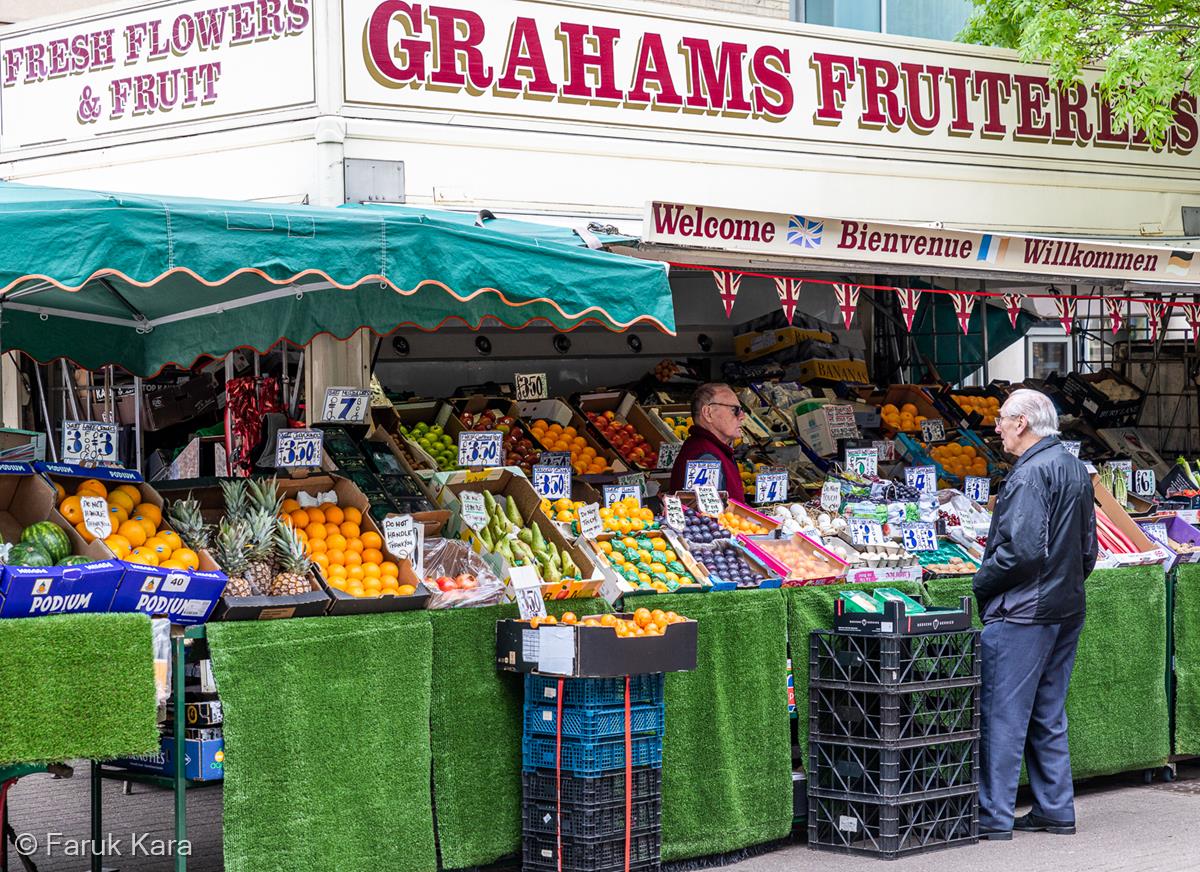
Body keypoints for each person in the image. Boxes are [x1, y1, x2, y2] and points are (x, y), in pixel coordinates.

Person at [973, 388, 1097, 840]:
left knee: (1002, 715)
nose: (998, 427)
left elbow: (1022, 551)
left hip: (1024, 611)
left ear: (1022, 423)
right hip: (1066, 606)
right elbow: (1088, 549)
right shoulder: (1073, 467)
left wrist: (982, 581)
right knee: (1047, 712)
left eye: (1002, 419)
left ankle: (994, 815)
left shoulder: (1029, 474)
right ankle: (1055, 808)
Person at [668, 383, 746, 502]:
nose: (742, 416)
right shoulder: (705, 457)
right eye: (734, 410)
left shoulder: (713, 449)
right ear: (708, 413)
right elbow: (704, 511)